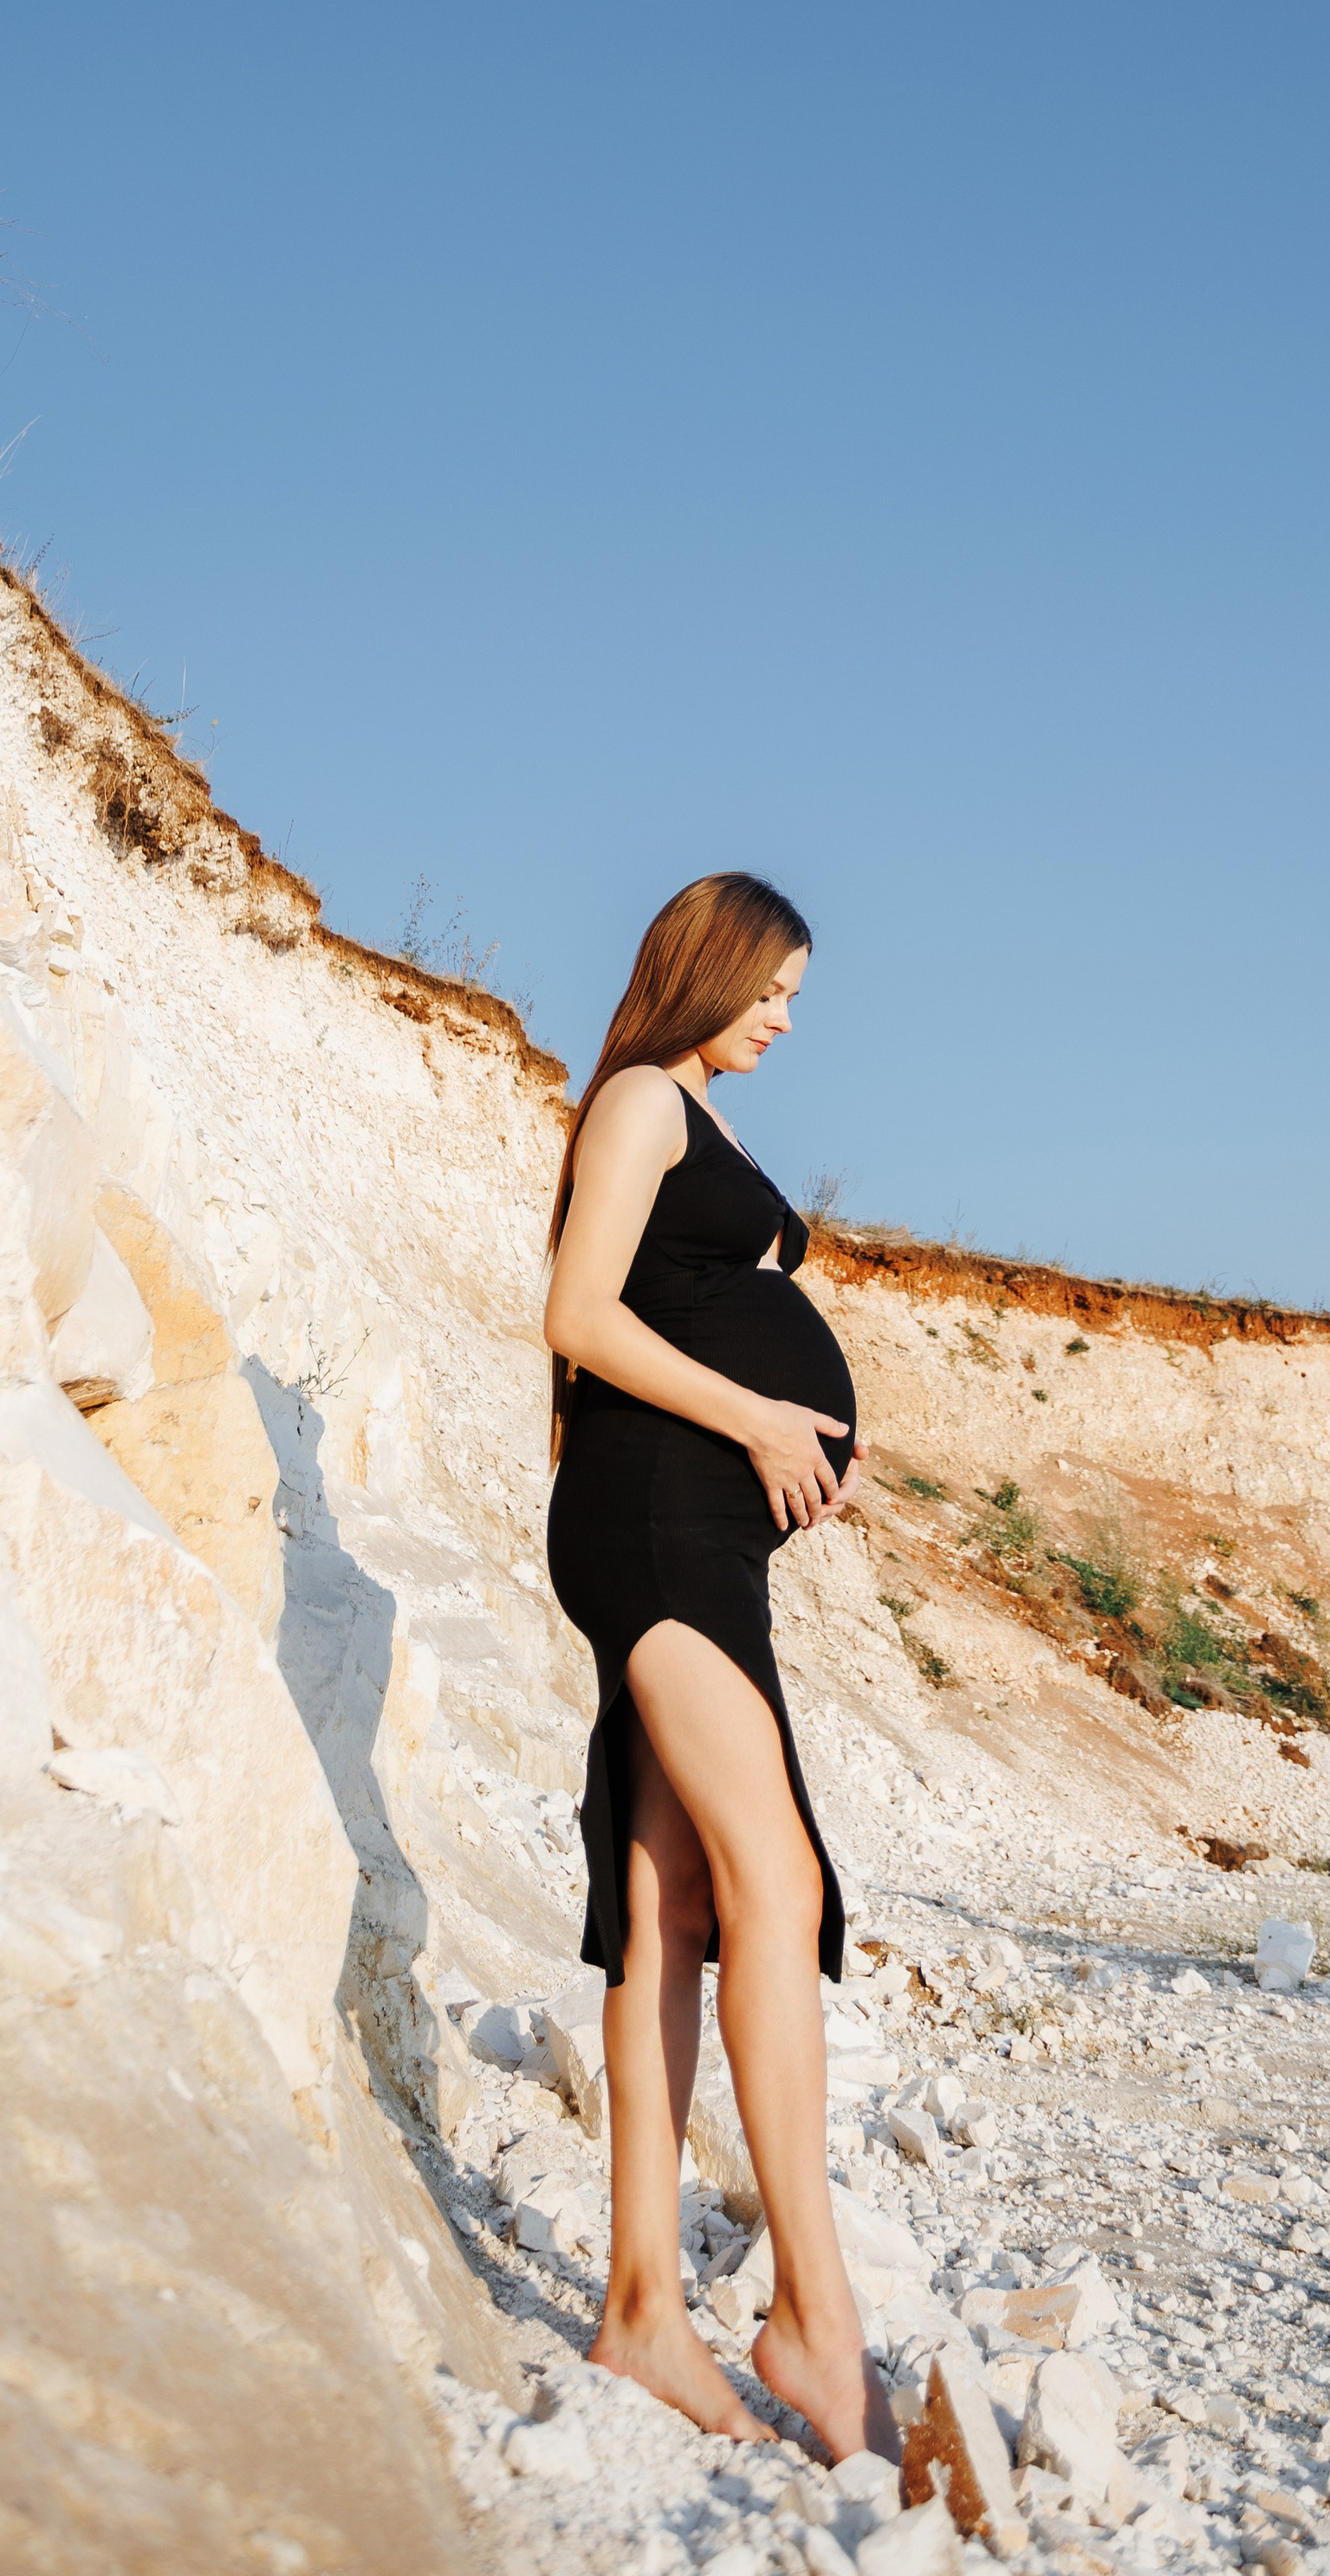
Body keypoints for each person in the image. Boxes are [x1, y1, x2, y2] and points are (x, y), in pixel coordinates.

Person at [543, 871, 898, 2463]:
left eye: (797, 998)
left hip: (700, 1533)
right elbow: (578, 1315)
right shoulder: (639, 1098)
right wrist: (761, 1416)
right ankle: (816, 2317)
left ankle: (642, 2311)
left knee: (674, 1905)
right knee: (780, 1878)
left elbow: (684, 1307)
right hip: (652, 1523)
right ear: (707, 969)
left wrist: (794, 1441)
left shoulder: (704, 1115)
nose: (785, 1019)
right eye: (771, 990)